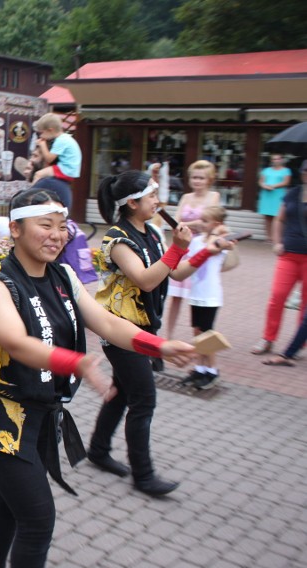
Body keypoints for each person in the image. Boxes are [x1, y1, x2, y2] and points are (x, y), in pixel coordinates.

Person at [0, 187, 195, 568]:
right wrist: (77, 363)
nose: (56, 235)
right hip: (3, 417)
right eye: (45, 225)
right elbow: (15, 342)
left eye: (62, 227)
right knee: (38, 520)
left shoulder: (64, 275)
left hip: (43, 417)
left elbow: (106, 321)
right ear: (17, 230)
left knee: (10, 509)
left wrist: (161, 346)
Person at [88, 167, 230, 496]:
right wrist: (178, 247)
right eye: (151, 195)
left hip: (143, 327)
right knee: (144, 400)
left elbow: (176, 273)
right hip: (121, 330)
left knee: (123, 393)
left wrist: (208, 250)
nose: (158, 200)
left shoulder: (153, 232)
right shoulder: (116, 239)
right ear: (132, 203)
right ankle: (143, 475)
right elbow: (147, 279)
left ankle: (97, 450)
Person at [252, 160, 307, 355]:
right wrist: (276, 242)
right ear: (301, 174)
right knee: (277, 296)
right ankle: (268, 338)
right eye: (305, 172)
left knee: (305, 304)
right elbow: (279, 219)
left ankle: (300, 343)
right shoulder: (293, 193)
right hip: (289, 254)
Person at [164, 160, 221, 340]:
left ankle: (199, 342)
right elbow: (175, 222)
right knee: (176, 297)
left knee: (198, 298)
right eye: (194, 177)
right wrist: (194, 224)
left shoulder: (214, 196)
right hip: (183, 247)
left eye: (201, 178)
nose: (197, 181)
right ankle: (168, 337)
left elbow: (210, 223)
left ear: (209, 179)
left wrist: (187, 225)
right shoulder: (186, 197)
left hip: (201, 248)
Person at [181, 205, 232, 390]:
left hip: (211, 296)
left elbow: (222, 243)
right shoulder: (197, 241)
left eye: (205, 221)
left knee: (207, 335)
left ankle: (212, 370)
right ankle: (200, 368)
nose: (200, 224)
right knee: (197, 331)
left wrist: (218, 231)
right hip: (196, 294)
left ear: (216, 224)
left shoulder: (222, 242)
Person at [31, 113, 81, 191]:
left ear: (50, 130)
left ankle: (29, 195)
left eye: (42, 133)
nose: (41, 136)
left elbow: (49, 159)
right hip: (70, 170)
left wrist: (42, 145)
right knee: (46, 174)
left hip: (65, 169)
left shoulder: (61, 140)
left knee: (38, 174)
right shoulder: (66, 137)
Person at [257, 154, 291, 241]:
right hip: (267, 195)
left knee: (279, 216)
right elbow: (260, 182)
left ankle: (278, 238)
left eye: (278, 159)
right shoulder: (266, 170)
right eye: (274, 159)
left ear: (281, 160)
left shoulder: (286, 170)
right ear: (271, 161)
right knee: (267, 217)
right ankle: (268, 237)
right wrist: (264, 186)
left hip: (278, 195)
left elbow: (286, 182)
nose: (276, 161)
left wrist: (273, 186)